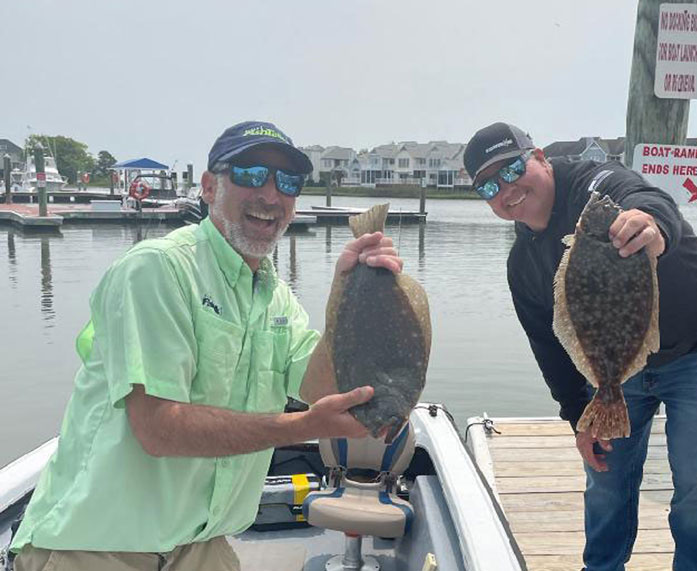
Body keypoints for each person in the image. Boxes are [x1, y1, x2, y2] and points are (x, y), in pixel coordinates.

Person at [11, 120, 403, 571]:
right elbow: (158, 428)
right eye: (251, 175)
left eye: (288, 182)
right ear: (209, 186)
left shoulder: (274, 295)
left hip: (198, 544)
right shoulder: (157, 270)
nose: (271, 195)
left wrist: (348, 291)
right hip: (96, 544)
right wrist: (303, 427)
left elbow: (320, 386)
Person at [463, 122, 697, 571]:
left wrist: (651, 225)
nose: (507, 189)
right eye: (490, 186)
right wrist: (579, 416)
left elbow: (643, 197)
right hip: (619, 367)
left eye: (512, 168)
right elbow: (550, 347)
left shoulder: (594, 188)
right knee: (606, 482)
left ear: (538, 156)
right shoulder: (523, 264)